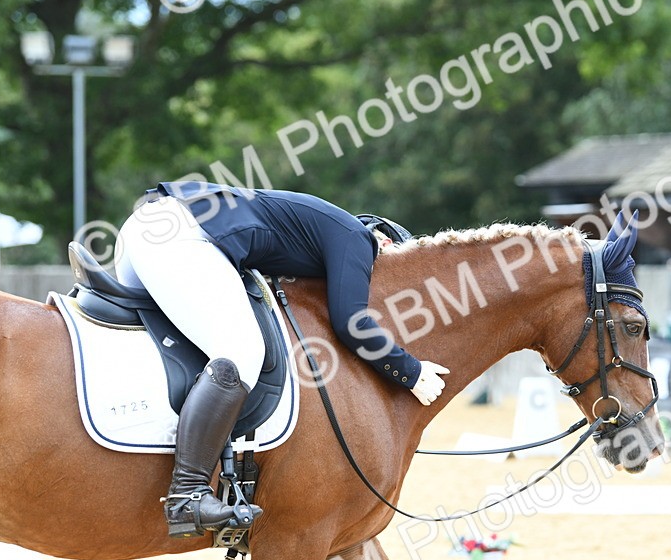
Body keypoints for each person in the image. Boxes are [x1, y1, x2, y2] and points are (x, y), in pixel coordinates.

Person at [114, 182, 449, 538]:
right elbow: (352, 323)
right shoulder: (358, 239)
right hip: (180, 234)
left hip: (147, 228)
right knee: (242, 353)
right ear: (386, 242)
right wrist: (412, 372)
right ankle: (188, 494)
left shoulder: (314, 233)